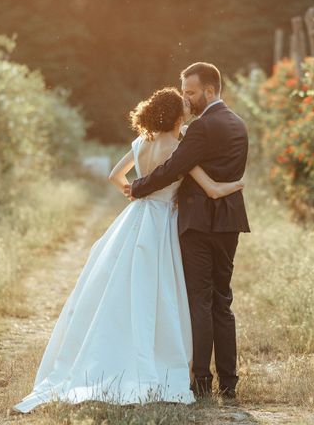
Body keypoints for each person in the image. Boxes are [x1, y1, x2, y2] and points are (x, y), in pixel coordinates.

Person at [12, 86, 244, 413]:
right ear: (178, 116)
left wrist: (132, 192)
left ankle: (113, 353)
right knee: (162, 294)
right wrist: (236, 185)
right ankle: (161, 358)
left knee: (124, 289)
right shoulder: (178, 149)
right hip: (163, 224)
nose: (189, 111)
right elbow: (212, 189)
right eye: (185, 109)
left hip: (135, 219)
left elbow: (113, 175)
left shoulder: (141, 142)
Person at [125, 62, 250, 399]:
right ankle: (229, 381)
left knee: (200, 300)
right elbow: (229, 173)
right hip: (229, 222)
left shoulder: (200, 128)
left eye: (191, 92)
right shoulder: (239, 125)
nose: (187, 99)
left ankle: (200, 381)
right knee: (222, 300)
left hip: (198, 223)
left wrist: (138, 187)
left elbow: (173, 168)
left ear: (210, 91)